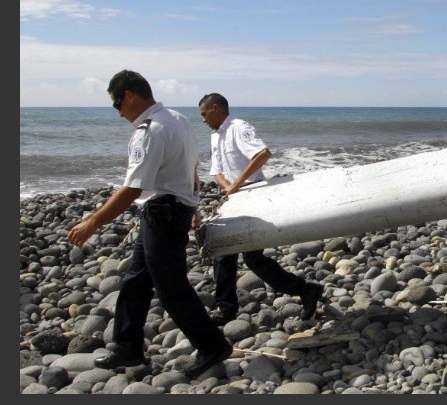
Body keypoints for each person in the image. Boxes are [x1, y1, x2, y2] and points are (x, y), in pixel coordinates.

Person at [68, 70, 232, 378]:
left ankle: (212, 345)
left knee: (171, 288)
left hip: (163, 214)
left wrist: (92, 222)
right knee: (136, 281)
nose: (118, 113)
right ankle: (126, 345)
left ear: (130, 96)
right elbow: (190, 167)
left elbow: (132, 189)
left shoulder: (151, 129)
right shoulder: (178, 120)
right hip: (168, 211)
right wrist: (192, 203)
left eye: (117, 104)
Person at [198, 93, 324, 325]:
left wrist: (236, 185)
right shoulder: (215, 137)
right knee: (233, 254)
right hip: (234, 197)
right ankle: (303, 291)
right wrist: (228, 187)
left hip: (253, 193)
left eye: (204, 114)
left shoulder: (238, 127)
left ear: (216, 109)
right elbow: (216, 170)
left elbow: (262, 154)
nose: (203, 120)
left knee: (246, 255)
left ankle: (228, 308)